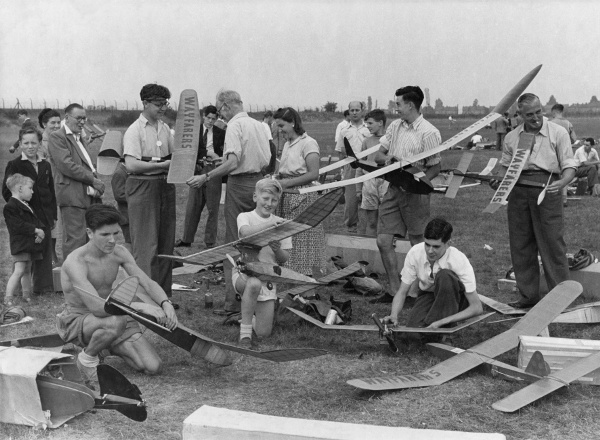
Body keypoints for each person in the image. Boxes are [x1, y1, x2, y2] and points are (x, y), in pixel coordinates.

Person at [56, 204, 178, 391]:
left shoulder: (119, 252)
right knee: (117, 321)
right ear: (90, 233)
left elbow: (146, 282)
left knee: (152, 366)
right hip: (80, 320)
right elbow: (97, 308)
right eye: (105, 235)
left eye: (116, 234)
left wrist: (165, 303)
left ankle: (105, 345)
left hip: (113, 315)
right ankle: (87, 359)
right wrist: (140, 307)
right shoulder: (76, 261)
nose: (112, 240)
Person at [186, 89, 270, 315]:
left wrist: (206, 176)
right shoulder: (258, 125)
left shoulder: (234, 125)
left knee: (233, 242)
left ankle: (233, 302)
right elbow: (266, 158)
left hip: (240, 184)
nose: (221, 116)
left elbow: (233, 163)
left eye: (220, 110)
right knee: (257, 240)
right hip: (259, 182)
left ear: (225, 106)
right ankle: (259, 297)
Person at [490, 93, 576, 308]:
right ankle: (528, 297)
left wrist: (562, 183)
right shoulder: (511, 137)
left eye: (539, 112)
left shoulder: (558, 132)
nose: (536, 118)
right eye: (529, 115)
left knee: (552, 242)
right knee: (521, 244)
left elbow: (569, 166)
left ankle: (561, 298)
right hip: (518, 190)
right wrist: (498, 180)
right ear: (519, 115)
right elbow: (505, 166)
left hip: (547, 189)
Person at [371, 86, 441, 304]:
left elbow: (435, 167)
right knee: (383, 240)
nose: (396, 107)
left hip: (415, 195)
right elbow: (378, 155)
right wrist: (390, 160)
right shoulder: (395, 126)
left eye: (398, 103)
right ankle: (394, 291)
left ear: (410, 105)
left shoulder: (429, 132)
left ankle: (415, 293)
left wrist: (417, 185)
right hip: (393, 189)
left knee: (418, 243)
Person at [382, 218, 483, 337]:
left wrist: (443, 321)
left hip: (456, 299)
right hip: (428, 294)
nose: (430, 251)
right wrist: (393, 315)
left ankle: (443, 332)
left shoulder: (458, 260)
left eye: (436, 246)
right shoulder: (415, 252)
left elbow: (477, 307)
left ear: (448, 244)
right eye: (427, 244)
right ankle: (432, 330)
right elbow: (402, 291)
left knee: (445, 275)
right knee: (412, 336)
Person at [123, 84, 177, 305]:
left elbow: (176, 158)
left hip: (164, 186)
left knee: (165, 243)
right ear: (145, 103)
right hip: (143, 187)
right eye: (158, 104)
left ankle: (163, 296)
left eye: (165, 103)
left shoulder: (165, 129)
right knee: (146, 246)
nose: (162, 108)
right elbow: (132, 164)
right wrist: (163, 165)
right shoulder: (134, 130)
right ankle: (146, 298)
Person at [234, 179, 292, 347]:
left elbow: (284, 259)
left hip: (268, 277)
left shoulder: (282, 224)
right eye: (265, 198)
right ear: (255, 197)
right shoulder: (245, 217)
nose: (269, 203)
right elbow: (245, 234)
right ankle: (245, 336)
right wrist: (269, 225)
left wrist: (277, 249)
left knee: (263, 333)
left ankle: (247, 314)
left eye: (274, 200)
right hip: (244, 273)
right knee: (253, 284)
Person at [2, 128, 56, 295]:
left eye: (34, 142)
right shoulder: (15, 164)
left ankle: (43, 287)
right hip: (26, 216)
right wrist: (22, 207)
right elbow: (6, 191)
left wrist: (53, 214)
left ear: (40, 143)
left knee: (44, 251)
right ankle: (18, 290)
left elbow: (51, 191)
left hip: (45, 215)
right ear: (20, 144)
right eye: (26, 143)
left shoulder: (45, 165)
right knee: (24, 253)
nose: (30, 146)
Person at [48, 104, 104, 260]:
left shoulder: (78, 137)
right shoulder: (57, 137)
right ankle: (71, 280)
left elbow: (85, 163)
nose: (82, 122)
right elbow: (66, 165)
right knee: (76, 241)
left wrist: (95, 179)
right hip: (72, 196)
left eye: (84, 118)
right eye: (78, 118)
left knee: (90, 240)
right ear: (66, 118)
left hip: (87, 195)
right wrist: (92, 179)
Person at [274, 107, 324, 275]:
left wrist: (286, 183)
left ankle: (307, 274)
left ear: (293, 123)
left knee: (303, 237)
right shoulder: (288, 144)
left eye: (281, 126)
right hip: (287, 193)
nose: (279, 130)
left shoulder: (308, 142)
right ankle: (291, 272)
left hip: (303, 196)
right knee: (288, 237)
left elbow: (313, 173)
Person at [176, 105, 225, 248]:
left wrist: (214, 157)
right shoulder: (192, 132)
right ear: (203, 116)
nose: (210, 121)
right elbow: (188, 149)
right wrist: (205, 154)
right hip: (197, 169)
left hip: (213, 170)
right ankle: (186, 239)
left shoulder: (220, 133)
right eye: (208, 118)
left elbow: (222, 153)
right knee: (193, 206)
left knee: (212, 208)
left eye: (214, 119)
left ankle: (210, 242)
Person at [3, 174, 45, 305]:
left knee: (27, 269)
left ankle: (27, 295)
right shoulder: (10, 206)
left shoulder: (25, 204)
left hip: (28, 244)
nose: (32, 191)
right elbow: (18, 225)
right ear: (20, 188)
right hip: (20, 244)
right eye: (30, 188)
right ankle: (8, 297)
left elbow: (33, 221)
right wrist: (36, 230)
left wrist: (39, 232)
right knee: (19, 269)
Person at [335, 101, 370, 233]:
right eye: (352, 110)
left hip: (367, 166)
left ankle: (370, 230)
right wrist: (342, 170)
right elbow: (340, 151)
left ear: (362, 111)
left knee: (369, 198)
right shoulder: (344, 131)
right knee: (350, 201)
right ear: (348, 112)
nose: (354, 113)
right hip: (350, 167)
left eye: (357, 110)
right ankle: (351, 227)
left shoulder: (368, 129)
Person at [355, 109, 389, 236]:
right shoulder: (366, 142)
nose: (367, 126)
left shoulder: (390, 140)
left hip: (387, 181)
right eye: (366, 124)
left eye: (370, 123)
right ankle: (370, 251)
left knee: (387, 222)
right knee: (371, 222)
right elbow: (360, 166)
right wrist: (358, 189)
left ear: (380, 123)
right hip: (369, 183)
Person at [38, 108, 62, 264]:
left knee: (57, 222)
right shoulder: (41, 144)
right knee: (49, 221)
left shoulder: (60, 139)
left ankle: (53, 255)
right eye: (52, 123)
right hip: (47, 187)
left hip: (59, 185)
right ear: (44, 124)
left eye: (58, 122)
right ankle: (50, 256)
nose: (56, 125)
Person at [110, 161, 131, 248]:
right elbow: (119, 195)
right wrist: (136, 198)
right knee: (130, 242)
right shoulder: (119, 173)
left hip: (131, 215)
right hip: (126, 216)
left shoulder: (128, 172)